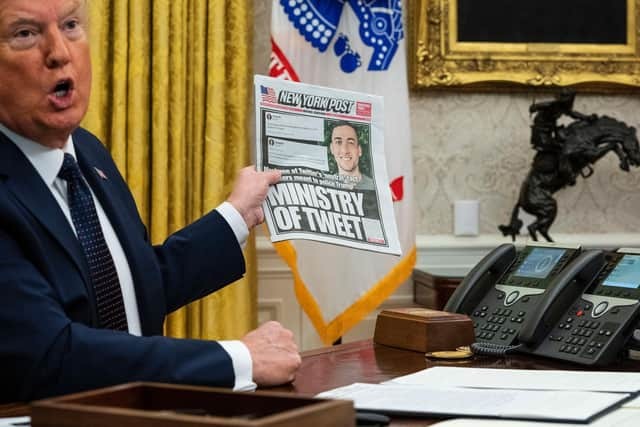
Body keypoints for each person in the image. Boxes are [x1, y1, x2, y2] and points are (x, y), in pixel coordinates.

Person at [0, 0, 300, 403]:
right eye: (25, 34)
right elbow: (54, 353)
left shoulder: (87, 153)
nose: (59, 52)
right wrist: (238, 360)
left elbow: (129, 288)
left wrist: (237, 215)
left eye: (71, 25)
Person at [329, 121, 375, 190]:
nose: (345, 150)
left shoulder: (373, 186)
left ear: (359, 150)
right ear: (332, 149)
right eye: (338, 142)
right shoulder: (326, 184)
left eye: (350, 142)